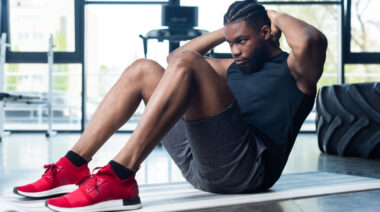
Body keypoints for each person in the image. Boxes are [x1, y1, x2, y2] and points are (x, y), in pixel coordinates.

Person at [14, 0, 327, 211]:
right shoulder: (232, 65)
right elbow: (174, 61)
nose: (234, 50)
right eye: (230, 42)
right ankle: (73, 165)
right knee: (144, 69)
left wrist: (272, 15)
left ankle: (120, 174)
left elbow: (311, 40)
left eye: (241, 41)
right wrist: (233, 28)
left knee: (190, 63)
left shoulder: (296, 70)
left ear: (265, 32)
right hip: (201, 164)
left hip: (247, 171)